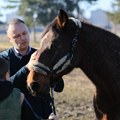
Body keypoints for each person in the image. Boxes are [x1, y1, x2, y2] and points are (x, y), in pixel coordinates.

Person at [0, 18, 64, 120]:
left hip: (43, 114)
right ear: (9, 39)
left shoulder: (42, 56)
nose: (23, 38)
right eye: (17, 36)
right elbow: (3, 88)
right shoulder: (3, 59)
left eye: (24, 33)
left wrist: (52, 68)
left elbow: (59, 87)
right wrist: (27, 68)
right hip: (16, 114)